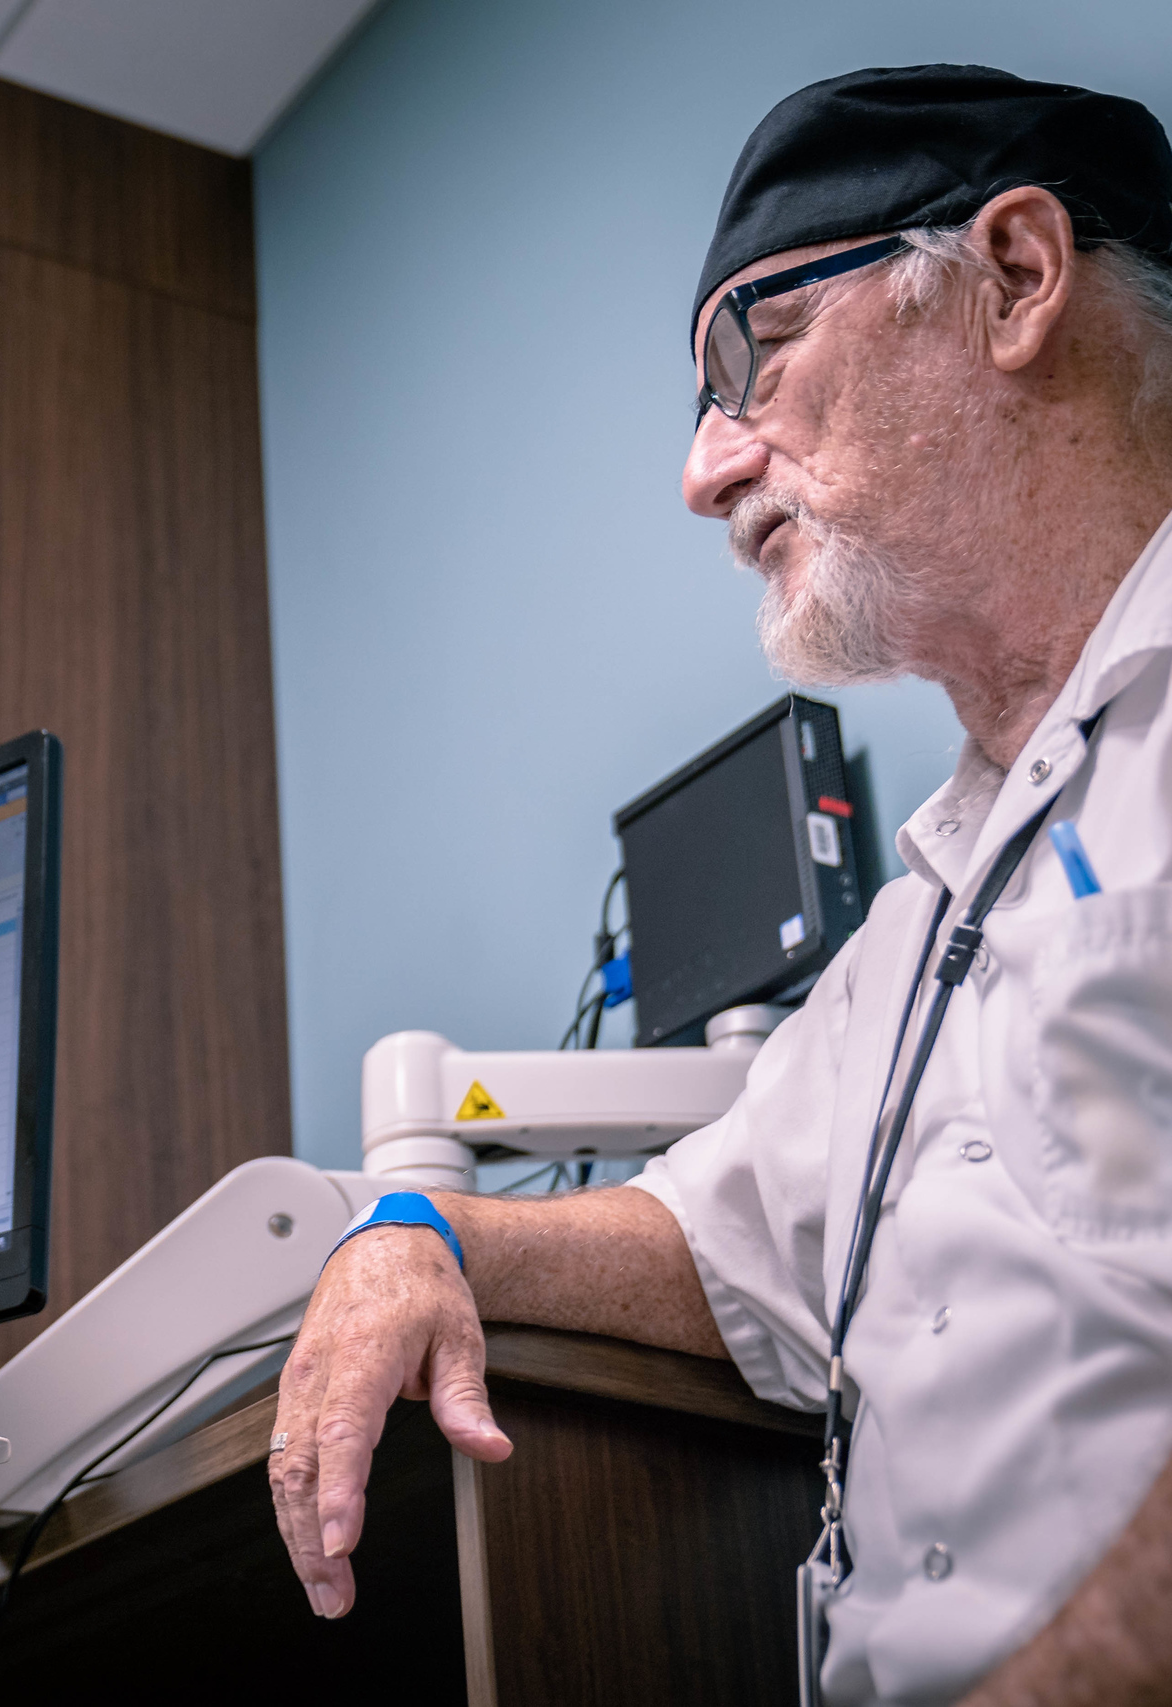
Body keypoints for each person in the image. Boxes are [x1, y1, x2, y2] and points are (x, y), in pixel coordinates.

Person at [269, 65, 1172, 1707]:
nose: (704, 472)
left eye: (754, 355)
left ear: (1019, 281)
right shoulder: (925, 925)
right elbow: (714, 1234)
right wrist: (416, 1232)